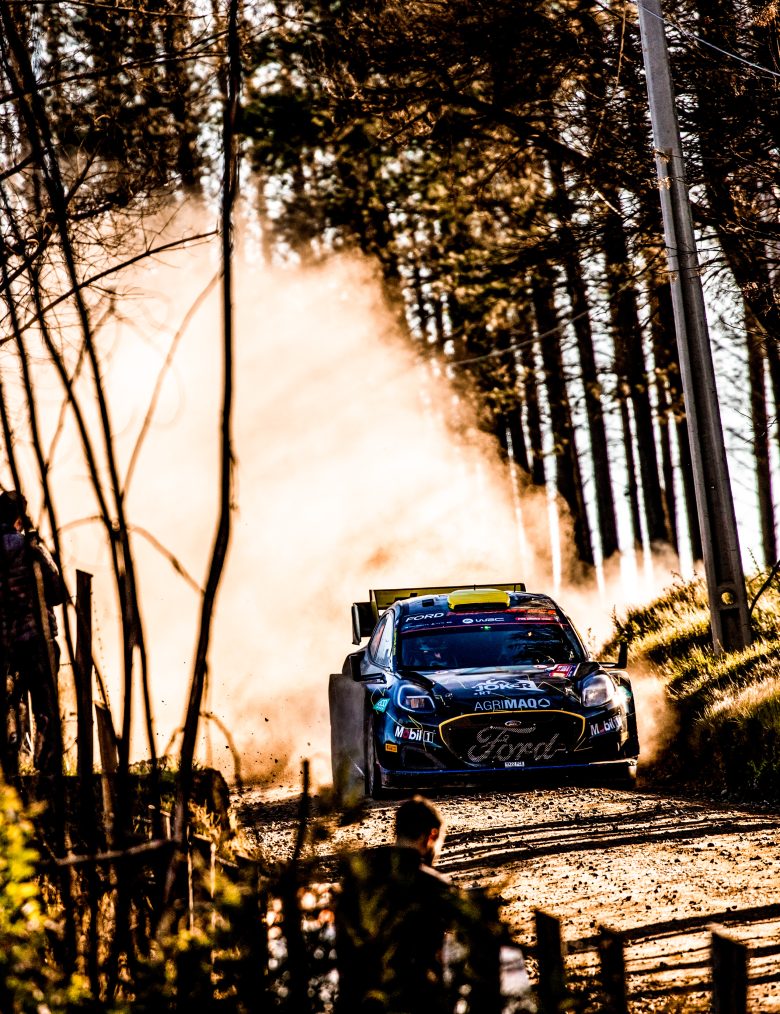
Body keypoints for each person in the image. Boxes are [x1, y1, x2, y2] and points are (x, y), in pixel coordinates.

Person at [335, 796, 456, 1014]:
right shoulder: (434, 886)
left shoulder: (356, 879)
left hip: (357, 1000)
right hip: (414, 1001)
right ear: (431, 836)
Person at [0, 490, 64, 775]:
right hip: (37, 641)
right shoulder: (31, 548)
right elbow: (58, 591)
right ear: (19, 518)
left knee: (9, 705)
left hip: (5, 645)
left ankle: (10, 767)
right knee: (45, 707)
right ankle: (46, 770)